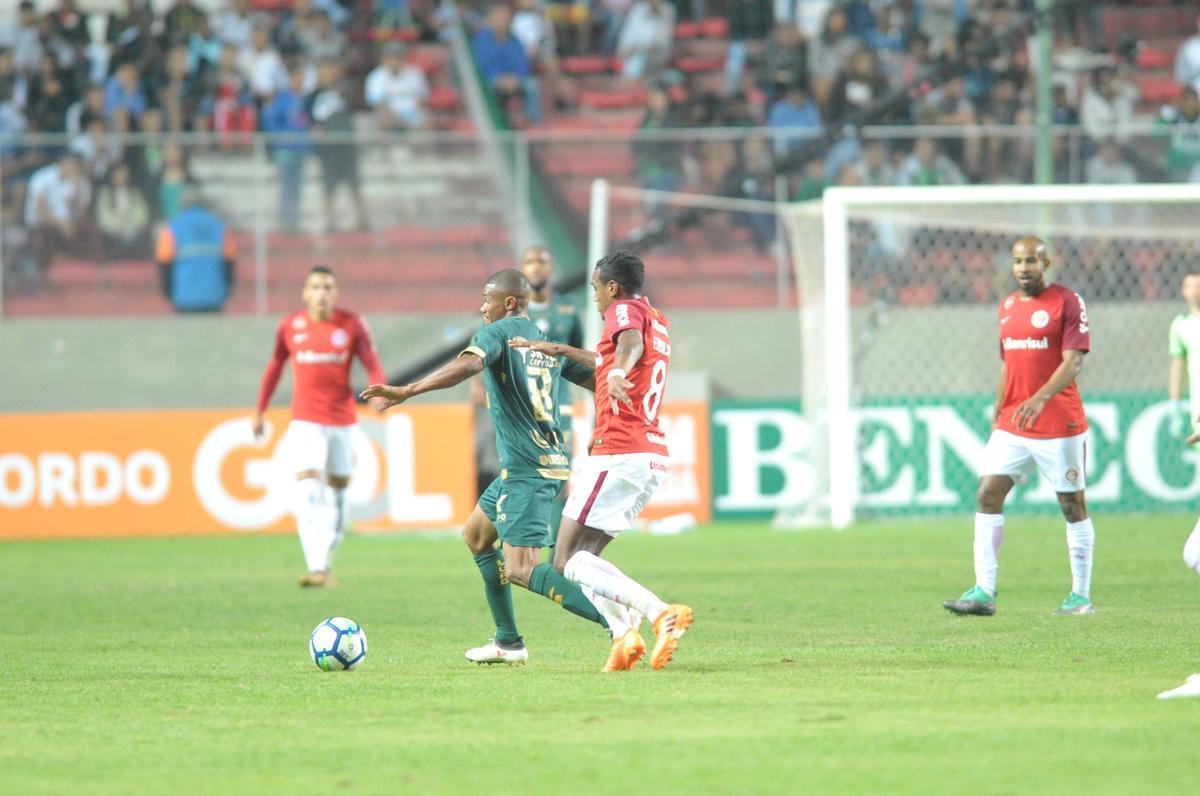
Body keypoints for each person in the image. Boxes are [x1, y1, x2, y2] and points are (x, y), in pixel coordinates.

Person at [361, 270, 622, 668]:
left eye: (488, 299)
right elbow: (599, 381)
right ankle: (508, 642)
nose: (483, 307)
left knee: (522, 568)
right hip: (541, 463)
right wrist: (604, 423)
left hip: (526, 469)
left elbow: (468, 367)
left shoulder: (495, 334)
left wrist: (409, 390)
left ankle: (617, 622)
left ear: (510, 303)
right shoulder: (543, 341)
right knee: (477, 536)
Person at [515, 251, 692, 671]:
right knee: (587, 559)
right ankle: (623, 635)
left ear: (612, 287)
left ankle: (659, 613)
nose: (594, 297)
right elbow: (614, 355)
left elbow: (627, 346)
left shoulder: (623, 310)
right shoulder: (656, 319)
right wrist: (562, 350)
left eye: (596, 288)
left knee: (564, 559)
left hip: (620, 450)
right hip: (648, 454)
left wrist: (616, 374)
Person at [943, 237, 1095, 618]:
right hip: (1013, 421)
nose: (1023, 268)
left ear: (1047, 263)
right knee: (986, 494)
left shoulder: (1067, 302)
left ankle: (1080, 596)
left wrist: (1040, 398)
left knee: (1072, 506)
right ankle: (984, 592)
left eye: (1031, 261)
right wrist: (999, 408)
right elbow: (1008, 363)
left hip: (1058, 421)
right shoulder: (1008, 306)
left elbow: (1074, 362)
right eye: (1017, 261)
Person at [254, 266, 388, 587]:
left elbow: (371, 363)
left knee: (339, 497)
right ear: (305, 293)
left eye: (327, 287)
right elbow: (275, 366)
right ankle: (315, 566)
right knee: (308, 488)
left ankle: (325, 562)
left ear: (336, 293)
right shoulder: (290, 326)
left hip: (342, 421)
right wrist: (260, 409)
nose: (321, 293)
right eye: (315, 287)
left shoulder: (352, 324)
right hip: (305, 421)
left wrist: (379, 392)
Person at [519, 245, 584, 553]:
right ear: (522, 268)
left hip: (559, 406)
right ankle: (523, 549)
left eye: (541, 262)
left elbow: (579, 358)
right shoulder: (512, 310)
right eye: (529, 262)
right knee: (524, 479)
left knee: (558, 477)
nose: (535, 267)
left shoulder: (568, 308)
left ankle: (556, 555)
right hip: (521, 409)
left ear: (551, 267)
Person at [308, 59, 368, 233]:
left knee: (354, 184)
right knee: (329, 185)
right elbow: (315, 123)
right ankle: (329, 220)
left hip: (347, 148)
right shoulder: (317, 98)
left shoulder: (345, 93)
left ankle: (361, 218)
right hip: (330, 150)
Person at [155, 188, 236, 312]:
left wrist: (168, 293)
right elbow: (229, 261)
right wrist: (226, 291)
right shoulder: (219, 226)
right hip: (214, 296)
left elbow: (164, 261)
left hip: (184, 297)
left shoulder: (173, 227)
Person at [261, 67, 311, 233]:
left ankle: (294, 221)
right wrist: (281, 136)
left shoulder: (303, 100)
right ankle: (285, 221)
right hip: (286, 151)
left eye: (302, 79)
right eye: (297, 78)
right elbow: (269, 120)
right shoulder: (283, 99)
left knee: (297, 187)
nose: (300, 82)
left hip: (300, 150)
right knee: (286, 186)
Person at [363, 41, 429, 130]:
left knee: (428, 118)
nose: (395, 60)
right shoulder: (376, 76)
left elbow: (422, 99)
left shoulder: (415, 73)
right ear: (384, 58)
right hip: (389, 115)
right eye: (391, 57)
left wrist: (411, 117)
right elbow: (378, 104)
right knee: (382, 117)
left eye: (397, 56)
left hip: (412, 114)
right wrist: (396, 119)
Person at [1167, 274, 1200, 440]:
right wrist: (1175, 403)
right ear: (1183, 291)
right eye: (1190, 286)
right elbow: (1177, 366)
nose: (1195, 291)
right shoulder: (1181, 325)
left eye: (1198, 285)